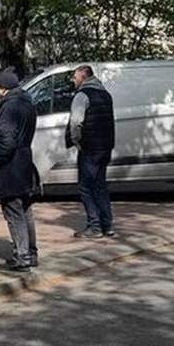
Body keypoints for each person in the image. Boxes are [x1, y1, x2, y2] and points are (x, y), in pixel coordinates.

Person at [0, 70, 40, 272]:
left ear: (3, 87)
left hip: (11, 166)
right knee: (25, 209)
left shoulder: (10, 106)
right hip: (24, 162)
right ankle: (30, 253)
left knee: (14, 211)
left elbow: (7, 140)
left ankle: (22, 256)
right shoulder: (27, 102)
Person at [67, 65, 116, 238]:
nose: (73, 80)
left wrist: (76, 141)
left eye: (75, 77)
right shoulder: (105, 95)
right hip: (105, 146)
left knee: (85, 187)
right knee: (100, 186)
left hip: (89, 147)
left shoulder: (82, 95)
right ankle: (107, 225)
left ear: (83, 77)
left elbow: (76, 123)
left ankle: (94, 226)